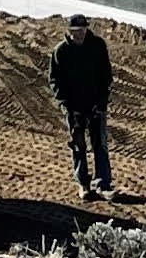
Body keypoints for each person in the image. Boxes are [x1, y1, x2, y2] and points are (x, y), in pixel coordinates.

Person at [49, 13, 114, 198]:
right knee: (78, 146)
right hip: (74, 108)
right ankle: (83, 184)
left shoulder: (98, 46)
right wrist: (66, 105)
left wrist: (101, 102)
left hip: (96, 105)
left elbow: (106, 75)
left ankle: (103, 184)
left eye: (83, 30)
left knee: (100, 145)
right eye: (76, 31)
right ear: (70, 31)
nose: (80, 34)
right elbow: (54, 80)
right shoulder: (61, 51)